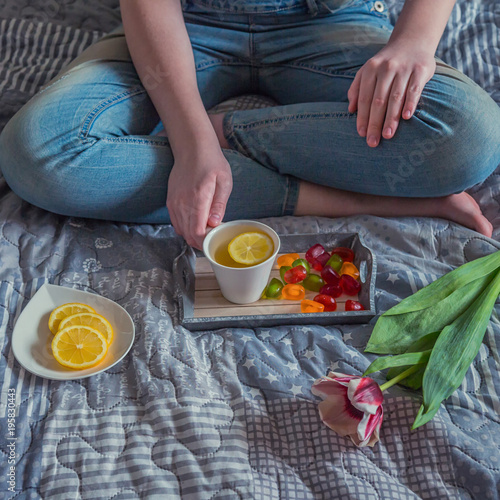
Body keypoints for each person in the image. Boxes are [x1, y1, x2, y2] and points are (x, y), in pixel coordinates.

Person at [0, 0, 499, 249]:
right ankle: (365, 197)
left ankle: (229, 131)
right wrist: (192, 144)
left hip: (331, 21)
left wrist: (413, 42)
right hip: (180, 26)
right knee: (39, 152)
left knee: (472, 137)